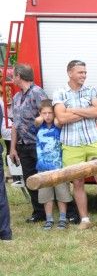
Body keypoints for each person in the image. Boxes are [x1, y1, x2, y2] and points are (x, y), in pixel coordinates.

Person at [52, 59, 97, 230]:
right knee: (78, 182)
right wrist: (87, 112)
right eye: (80, 72)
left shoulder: (92, 90)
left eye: (85, 72)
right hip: (71, 144)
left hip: (93, 141)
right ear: (70, 73)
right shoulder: (59, 93)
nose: (84, 76)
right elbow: (61, 118)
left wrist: (71, 110)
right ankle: (85, 220)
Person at [9, 63, 49, 223]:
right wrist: (12, 148)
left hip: (40, 144)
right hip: (23, 145)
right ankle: (38, 212)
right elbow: (15, 125)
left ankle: (67, 211)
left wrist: (39, 120)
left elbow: (48, 114)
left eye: (13, 75)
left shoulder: (38, 93)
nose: (12, 78)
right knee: (29, 178)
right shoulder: (16, 98)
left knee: (48, 177)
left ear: (19, 76)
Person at [33, 100, 73, 230]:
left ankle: (62, 218)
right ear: (40, 114)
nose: (47, 116)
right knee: (46, 195)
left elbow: (57, 122)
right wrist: (40, 117)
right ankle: (49, 219)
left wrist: (56, 116)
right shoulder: (39, 126)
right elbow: (36, 122)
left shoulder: (58, 125)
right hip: (43, 167)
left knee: (62, 193)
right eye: (44, 113)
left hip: (58, 166)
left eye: (50, 113)